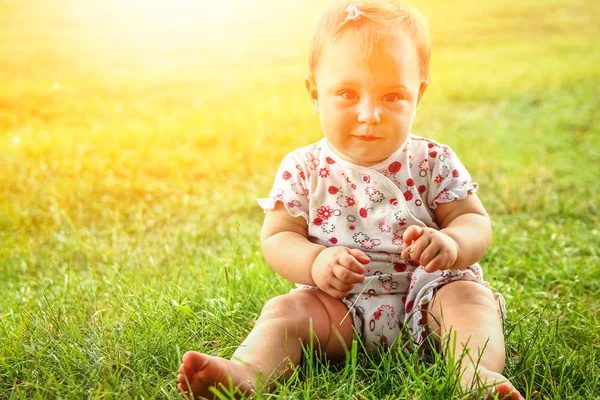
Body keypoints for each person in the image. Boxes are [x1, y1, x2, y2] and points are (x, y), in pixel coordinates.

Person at [177, 1, 523, 398]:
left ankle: (475, 374)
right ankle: (247, 372)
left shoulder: (432, 160)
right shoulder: (303, 167)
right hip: (339, 309)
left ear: (419, 94)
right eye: (346, 92)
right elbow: (277, 237)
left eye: (393, 96)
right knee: (286, 312)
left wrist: (453, 242)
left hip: (430, 300)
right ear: (314, 92)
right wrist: (315, 260)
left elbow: (474, 220)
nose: (370, 113)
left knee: (469, 300)